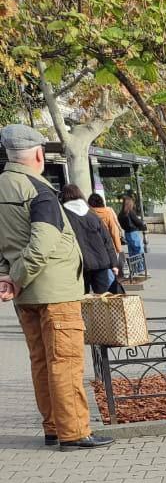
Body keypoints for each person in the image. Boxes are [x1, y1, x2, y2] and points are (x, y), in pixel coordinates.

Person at [0, 124, 113, 449]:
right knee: (65, 360)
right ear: (38, 154)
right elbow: (43, 243)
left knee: (41, 360)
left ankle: (53, 427)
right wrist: (17, 277)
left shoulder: (3, 185)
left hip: (26, 296)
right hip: (54, 290)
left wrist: (7, 278)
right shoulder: (38, 190)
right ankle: (74, 431)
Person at [61, 184, 119, 294]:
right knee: (103, 299)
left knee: (82, 299)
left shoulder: (64, 216)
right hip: (101, 261)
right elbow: (107, 240)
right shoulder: (92, 215)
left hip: (79, 264)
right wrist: (114, 264)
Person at [88, 191, 123, 256]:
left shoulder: (88, 214)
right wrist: (119, 249)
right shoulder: (107, 213)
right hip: (109, 245)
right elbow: (114, 231)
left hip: (95, 248)